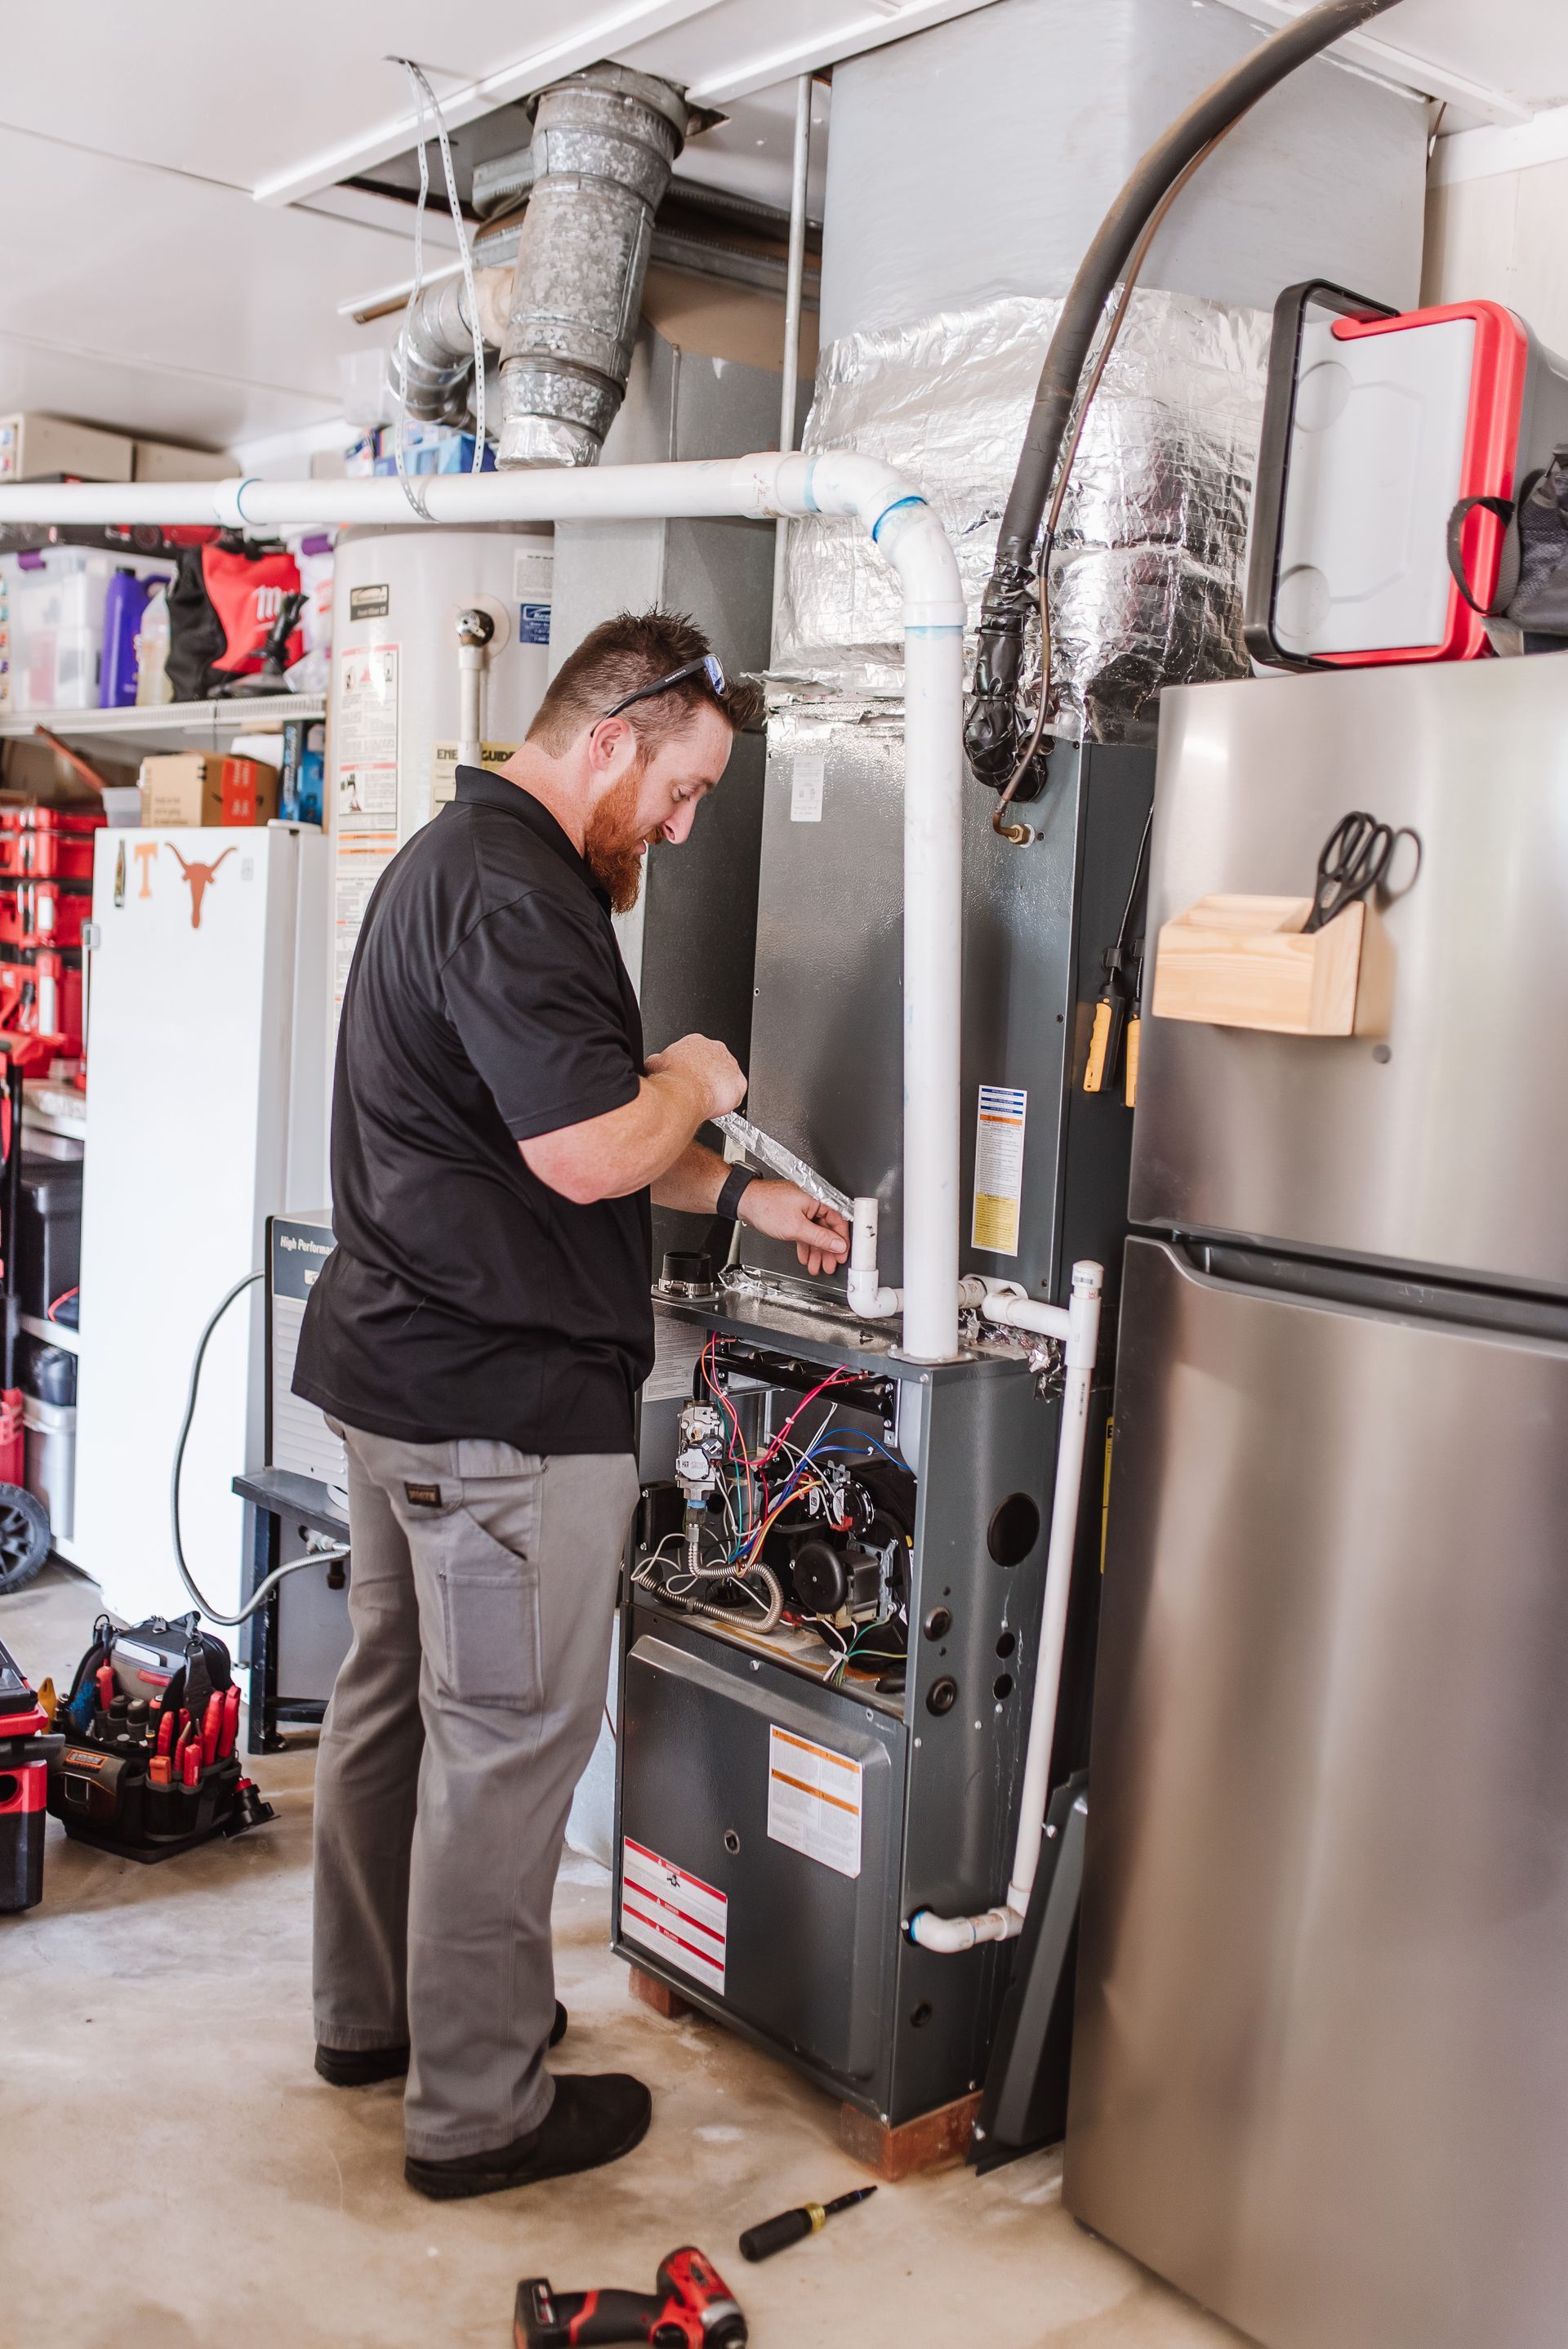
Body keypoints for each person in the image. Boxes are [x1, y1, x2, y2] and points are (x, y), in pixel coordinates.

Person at [293, 608, 848, 2202]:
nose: (679, 829)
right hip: (500, 1414)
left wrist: (740, 1200)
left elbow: (560, 1127)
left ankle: (373, 2019)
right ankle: (478, 2111)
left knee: (398, 1703)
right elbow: (596, 1143)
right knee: (506, 1744)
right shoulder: (522, 897)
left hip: (397, 1379)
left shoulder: (454, 864)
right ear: (609, 738)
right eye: (678, 792)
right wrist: (702, 1078)